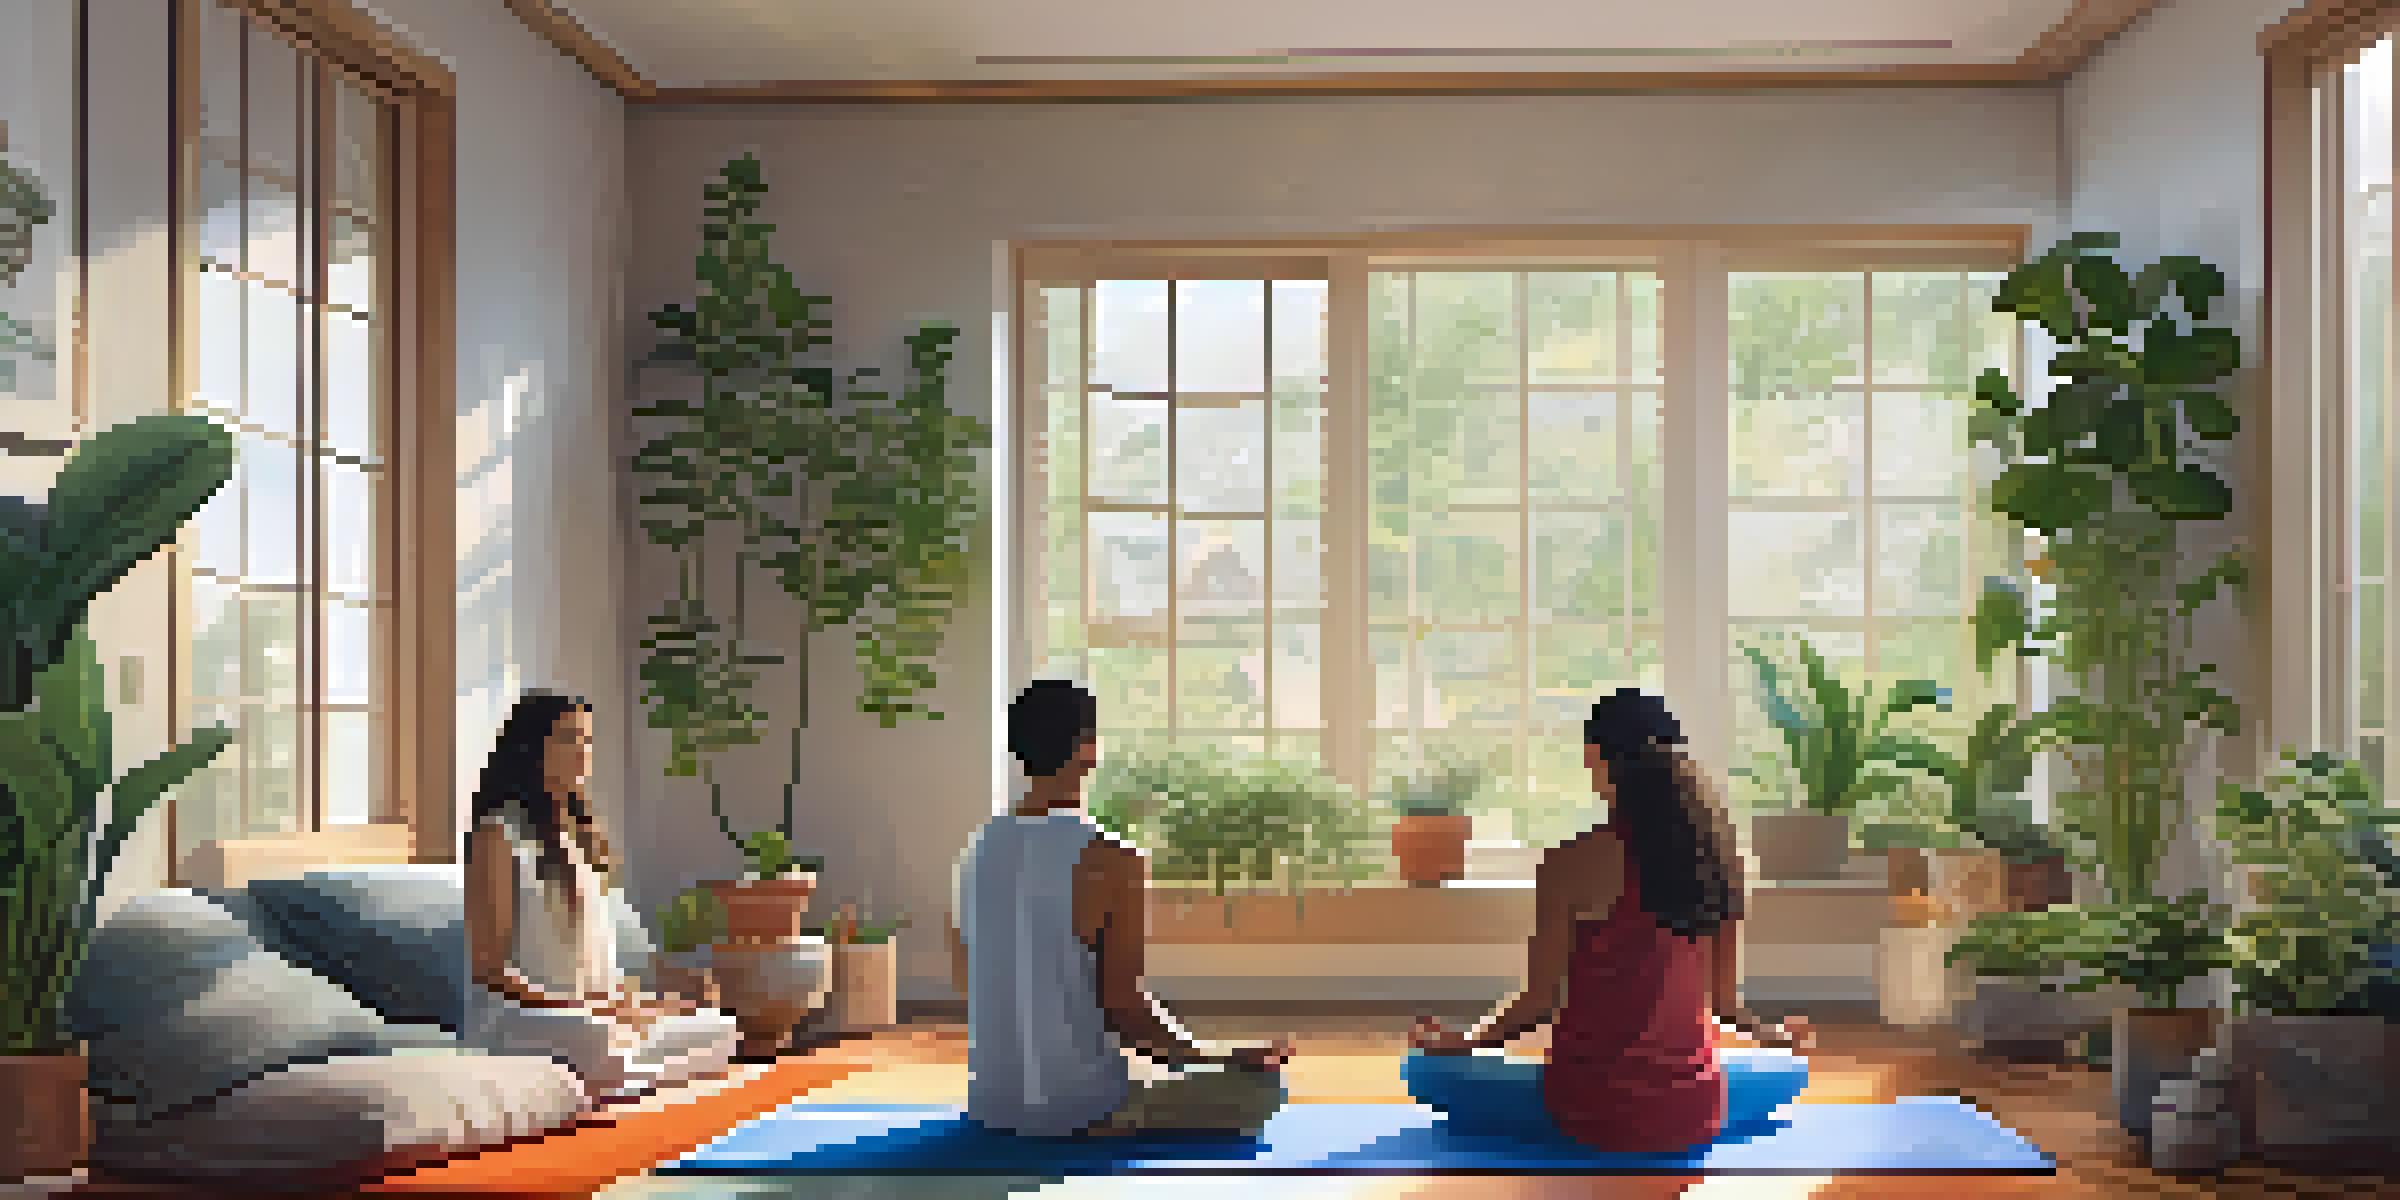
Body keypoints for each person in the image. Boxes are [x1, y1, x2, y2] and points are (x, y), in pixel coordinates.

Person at [1404, 688, 1813, 1151]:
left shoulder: (1569, 862)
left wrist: (1464, 1042)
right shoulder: (1721, 859)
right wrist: (1776, 1037)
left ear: (1596, 757)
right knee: (1788, 1069)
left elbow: (1538, 1004)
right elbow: (1725, 1005)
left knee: (1421, 1071)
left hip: (1588, 1111)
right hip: (1692, 1111)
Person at [949, 680, 1294, 1138]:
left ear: (1019, 752)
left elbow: (967, 982)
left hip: (991, 1108)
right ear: (1089, 751)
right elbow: (1127, 1013)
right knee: (1262, 1089)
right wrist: (1221, 1056)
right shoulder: (1113, 858)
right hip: (1082, 1110)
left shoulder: (976, 851)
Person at [462, 691, 740, 1101]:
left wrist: (639, 1004)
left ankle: (620, 1070)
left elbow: (598, 969)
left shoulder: (579, 839)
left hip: (589, 1014)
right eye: (568, 739)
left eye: (586, 740)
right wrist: (585, 1008)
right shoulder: (498, 834)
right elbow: (489, 969)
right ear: (532, 751)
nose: (583, 752)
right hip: (525, 1016)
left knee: (717, 1028)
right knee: (601, 1037)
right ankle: (620, 1068)